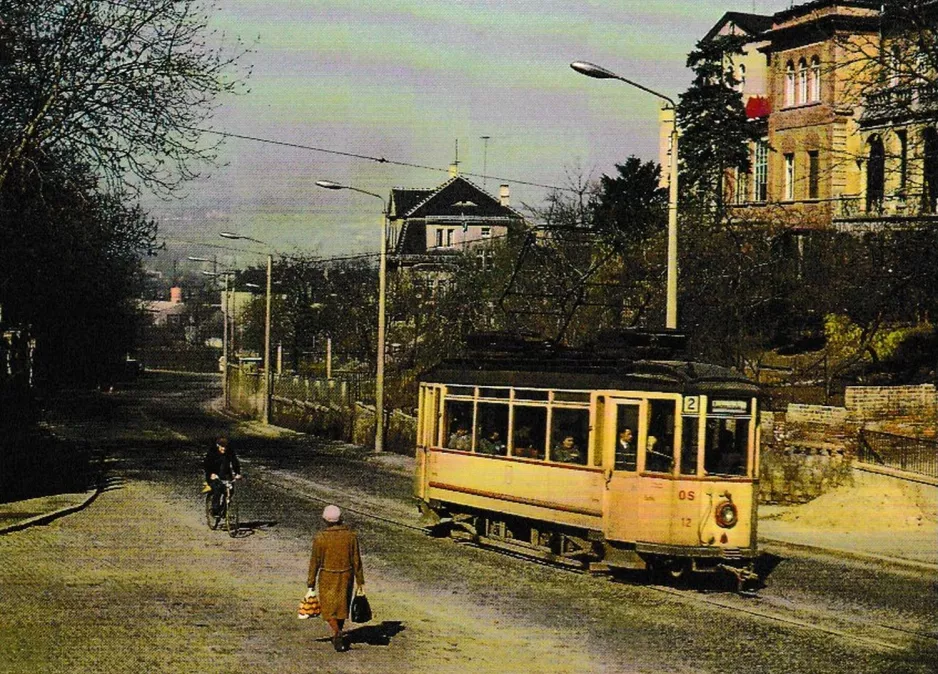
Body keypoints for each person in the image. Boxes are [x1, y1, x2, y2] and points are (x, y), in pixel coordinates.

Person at [306, 505, 365, 653]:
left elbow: (315, 561)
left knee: (328, 608)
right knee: (342, 606)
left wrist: (311, 581)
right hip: (346, 575)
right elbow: (356, 560)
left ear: (325, 520)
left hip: (327, 576)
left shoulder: (321, 538)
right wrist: (360, 580)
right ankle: (338, 631)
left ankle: (337, 633)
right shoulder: (351, 536)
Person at [203, 437, 241, 520]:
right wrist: (211, 474)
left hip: (225, 474)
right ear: (218, 446)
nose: (224, 449)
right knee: (218, 488)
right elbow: (206, 465)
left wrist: (237, 473)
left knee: (230, 490)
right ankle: (215, 509)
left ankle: (224, 510)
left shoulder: (229, 452)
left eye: (225, 447)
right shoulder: (212, 453)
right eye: (222, 447)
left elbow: (235, 462)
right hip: (213, 475)